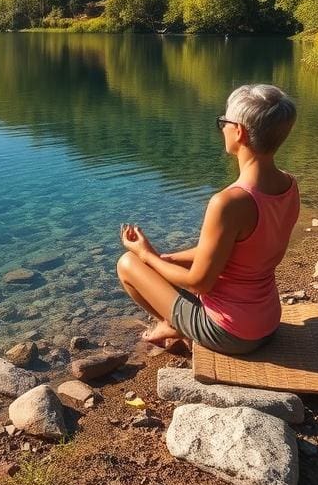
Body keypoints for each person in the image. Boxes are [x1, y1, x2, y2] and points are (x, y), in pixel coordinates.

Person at [115, 84, 300, 355]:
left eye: (223, 122)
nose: (222, 128)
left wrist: (145, 255)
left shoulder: (228, 202)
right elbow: (237, 252)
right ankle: (174, 323)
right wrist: (165, 258)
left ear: (239, 132)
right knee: (150, 264)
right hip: (267, 321)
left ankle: (170, 324)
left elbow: (199, 283)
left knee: (127, 264)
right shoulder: (289, 186)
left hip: (229, 333)